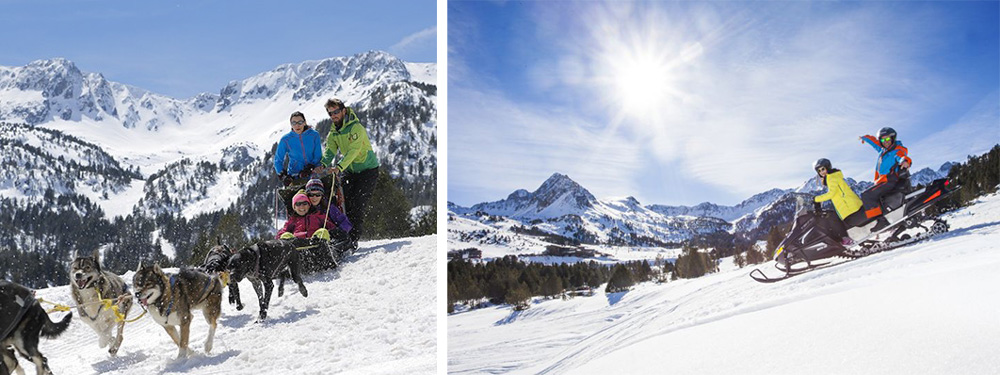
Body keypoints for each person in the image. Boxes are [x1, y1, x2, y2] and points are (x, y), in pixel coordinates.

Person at [312, 99, 379, 251]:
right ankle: (343, 237)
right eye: (330, 113)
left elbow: (354, 151)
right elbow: (330, 151)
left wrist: (339, 166)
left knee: (357, 204)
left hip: (368, 170)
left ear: (343, 110)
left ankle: (353, 240)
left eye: (336, 111)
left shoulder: (356, 127)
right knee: (342, 203)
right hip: (350, 171)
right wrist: (323, 164)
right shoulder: (334, 132)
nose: (334, 115)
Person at [858, 127, 912, 232]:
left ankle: (880, 221)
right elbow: (874, 142)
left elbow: (902, 157)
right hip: (882, 180)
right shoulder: (883, 150)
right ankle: (888, 219)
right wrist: (864, 138)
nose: (885, 142)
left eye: (888, 139)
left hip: (889, 180)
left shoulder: (897, 150)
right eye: (883, 140)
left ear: (892, 138)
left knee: (867, 195)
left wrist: (905, 162)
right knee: (876, 199)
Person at [812, 158, 863, 245]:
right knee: (834, 217)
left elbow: (831, 193)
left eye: (823, 169)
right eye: (819, 171)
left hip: (849, 206)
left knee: (832, 219)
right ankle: (845, 238)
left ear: (828, 167)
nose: (822, 172)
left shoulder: (831, 177)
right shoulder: (833, 176)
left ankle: (845, 239)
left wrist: (816, 199)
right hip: (849, 205)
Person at [274, 111, 323, 187]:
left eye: (300, 122)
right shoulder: (286, 139)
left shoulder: (314, 135)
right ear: (291, 124)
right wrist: (283, 175)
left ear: (304, 122)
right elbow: (278, 160)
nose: (297, 125)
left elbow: (318, 155)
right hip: (294, 176)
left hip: (312, 174)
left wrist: (310, 168)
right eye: (294, 123)